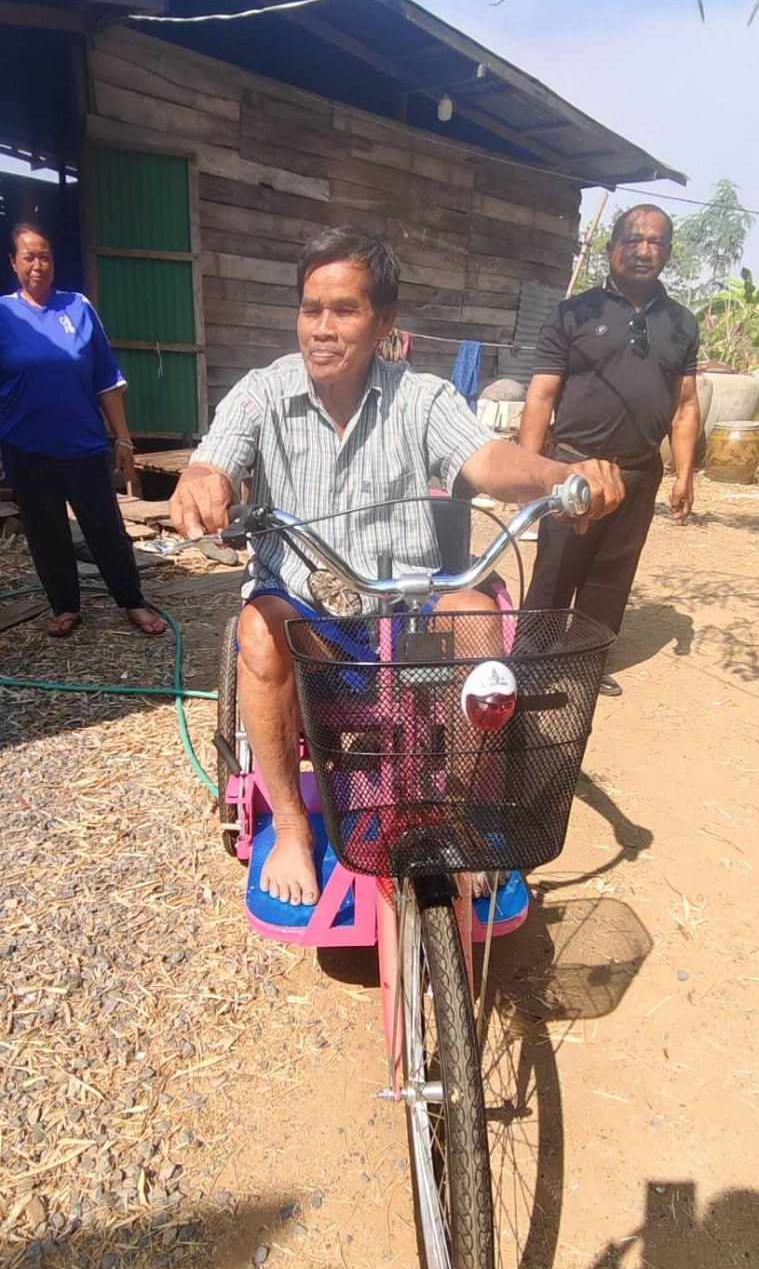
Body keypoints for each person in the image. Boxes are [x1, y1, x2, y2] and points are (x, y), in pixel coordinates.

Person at [169, 228, 623, 907]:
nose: (322, 328)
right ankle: (291, 826)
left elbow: (488, 460)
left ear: (385, 321)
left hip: (409, 615)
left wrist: (557, 476)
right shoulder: (263, 393)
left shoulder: (424, 398)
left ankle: (459, 810)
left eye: (344, 310)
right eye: (310, 309)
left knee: (476, 614)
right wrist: (202, 480)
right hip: (309, 616)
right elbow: (215, 460)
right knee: (256, 631)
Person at [518, 204, 701, 695]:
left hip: (640, 471)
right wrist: (529, 470)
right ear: (611, 248)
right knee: (556, 567)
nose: (645, 250)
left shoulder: (682, 323)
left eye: (656, 241)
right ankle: (531, 658)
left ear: (667, 252)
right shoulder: (574, 313)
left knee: (612, 571)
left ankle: (585, 661)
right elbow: (541, 396)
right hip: (572, 468)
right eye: (634, 239)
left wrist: (684, 474)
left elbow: (685, 406)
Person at [0, 223, 165, 638]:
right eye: (29, 257)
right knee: (46, 531)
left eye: (45, 256)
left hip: (83, 445)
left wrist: (123, 438)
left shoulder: (77, 307)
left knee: (106, 528)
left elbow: (105, 380)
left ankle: (132, 601)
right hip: (25, 448)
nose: (38, 265)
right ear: (13, 263)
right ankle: (66, 606)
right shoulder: (3, 314)